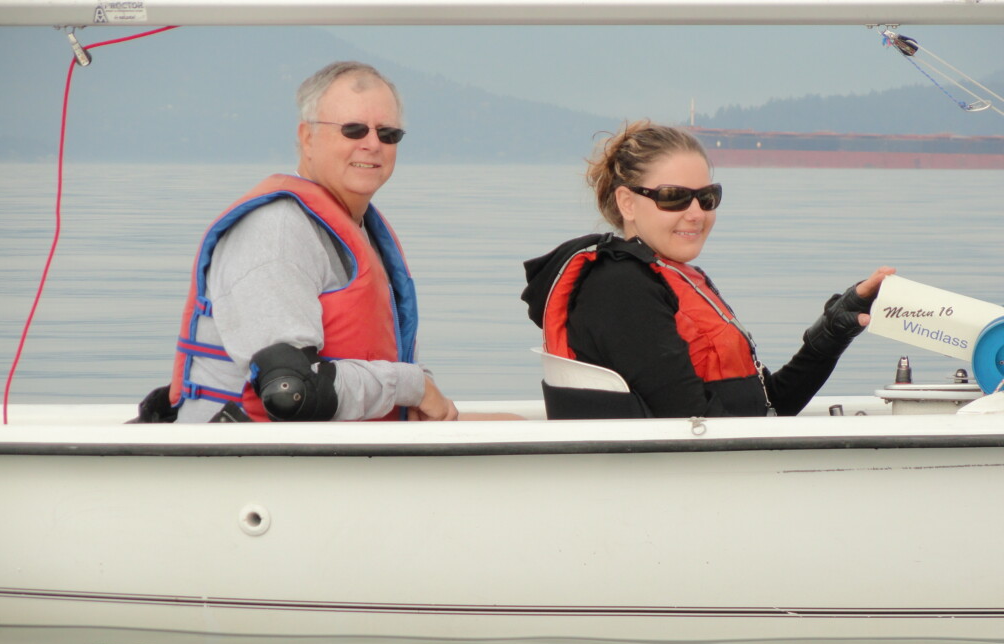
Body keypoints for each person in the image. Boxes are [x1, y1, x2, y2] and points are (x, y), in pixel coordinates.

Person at [521, 121, 894, 419]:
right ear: (627, 203)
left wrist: (832, 331)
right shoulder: (619, 288)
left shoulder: (671, 278)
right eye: (673, 198)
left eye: (707, 197)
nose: (696, 213)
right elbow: (693, 424)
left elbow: (769, 407)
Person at [163, 61, 458, 423]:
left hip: (343, 459)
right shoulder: (277, 231)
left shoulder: (357, 228)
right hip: (250, 465)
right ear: (307, 138)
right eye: (353, 130)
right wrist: (413, 387)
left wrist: (418, 389)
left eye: (388, 134)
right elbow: (290, 392)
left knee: (514, 423)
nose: (372, 145)